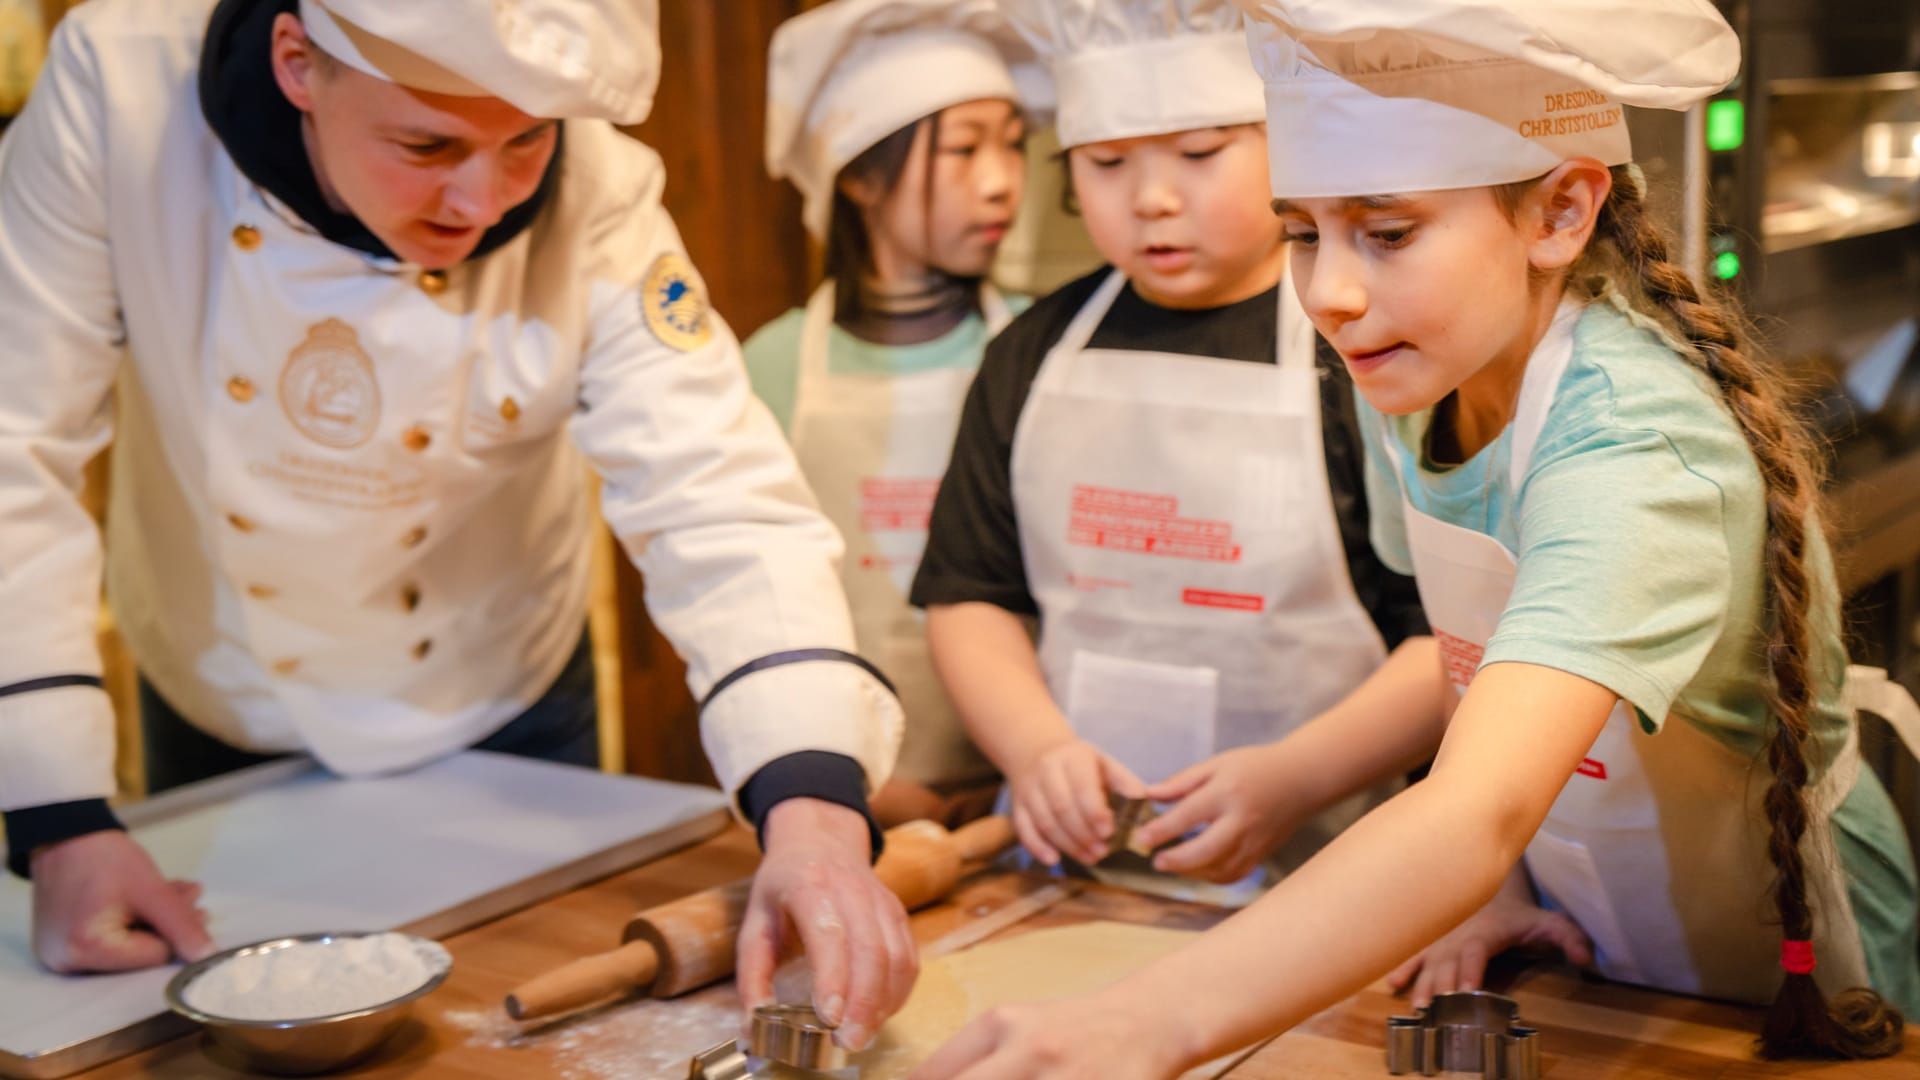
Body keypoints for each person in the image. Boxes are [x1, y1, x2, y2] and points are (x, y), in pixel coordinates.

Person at [911, 2, 1920, 1075]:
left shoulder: (1638, 451)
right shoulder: (1410, 379)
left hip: (1794, 976)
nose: (1333, 294)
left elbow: (1480, 804)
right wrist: (1507, 893)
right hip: (1601, 951)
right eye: (1303, 233)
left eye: (1387, 234)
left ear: (1560, 212)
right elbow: (1472, 670)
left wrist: (1140, 1022)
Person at [0, 0, 915, 1051]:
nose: (482, 199)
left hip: (502, 687)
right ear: (298, 61)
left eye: (527, 141)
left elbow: (721, 498)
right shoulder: (120, 96)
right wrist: (59, 817)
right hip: (226, 681)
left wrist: (812, 817)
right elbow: (13, 441)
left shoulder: (606, 194)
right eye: (427, 145)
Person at [909, 0, 1427, 902]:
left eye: (1198, 154)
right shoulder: (1031, 352)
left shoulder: (1358, 349)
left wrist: (1295, 779)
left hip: (1335, 869)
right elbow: (968, 597)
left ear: (1287, 147)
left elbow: (1449, 640)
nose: (1151, 197)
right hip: (1077, 872)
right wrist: (1036, 749)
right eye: (1107, 163)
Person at [747, 0, 1037, 830]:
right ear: (860, 174)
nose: (1001, 180)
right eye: (964, 148)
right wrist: (839, 780)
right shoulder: (773, 362)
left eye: (1014, 145)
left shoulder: (1035, 349)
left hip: (1023, 799)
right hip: (838, 792)